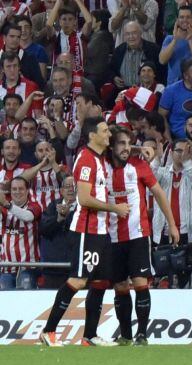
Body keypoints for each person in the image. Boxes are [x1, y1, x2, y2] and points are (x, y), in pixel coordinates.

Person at [39, 117, 130, 347]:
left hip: (101, 231)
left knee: (100, 281)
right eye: (104, 131)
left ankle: (89, 336)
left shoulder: (99, 159)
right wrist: (114, 208)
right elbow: (85, 198)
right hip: (86, 229)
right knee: (78, 280)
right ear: (92, 136)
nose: (108, 135)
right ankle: (48, 331)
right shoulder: (87, 160)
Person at [105, 127, 179, 346]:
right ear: (111, 146)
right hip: (112, 237)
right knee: (119, 287)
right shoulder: (102, 167)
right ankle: (126, 335)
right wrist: (138, 147)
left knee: (140, 283)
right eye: (121, 143)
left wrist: (172, 224)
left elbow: (159, 194)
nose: (126, 148)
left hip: (138, 234)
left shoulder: (139, 165)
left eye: (129, 143)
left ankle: (142, 335)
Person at [0, 177, 43, 290]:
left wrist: (6, 204)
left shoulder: (35, 206)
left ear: (27, 190)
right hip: (7, 269)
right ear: (10, 191)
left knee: (26, 286)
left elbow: (27, 217)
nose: (17, 192)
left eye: (21, 189)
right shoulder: (3, 209)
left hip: (28, 267)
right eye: (14, 189)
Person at [158, 58, 192, 140]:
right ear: (186, 76)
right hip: (179, 140)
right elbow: (161, 116)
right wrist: (169, 140)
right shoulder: (171, 91)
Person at [39, 175, 75, 289]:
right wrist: (59, 218)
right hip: (53, 269)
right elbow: (43, 229)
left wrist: (68, 216)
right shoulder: (53, 206)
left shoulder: (84, 208)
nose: (71, 189)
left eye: (74, 186)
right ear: (61, 190)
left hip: (76, 269)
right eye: (67, 186)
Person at [159, 5, 192, 84]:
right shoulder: (169, 39)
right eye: (181, 17)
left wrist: (190, 39)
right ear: (177, 20)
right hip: (173, 87)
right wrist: (175, 39)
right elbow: (162, 60)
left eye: (188, 17)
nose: (185, 20)